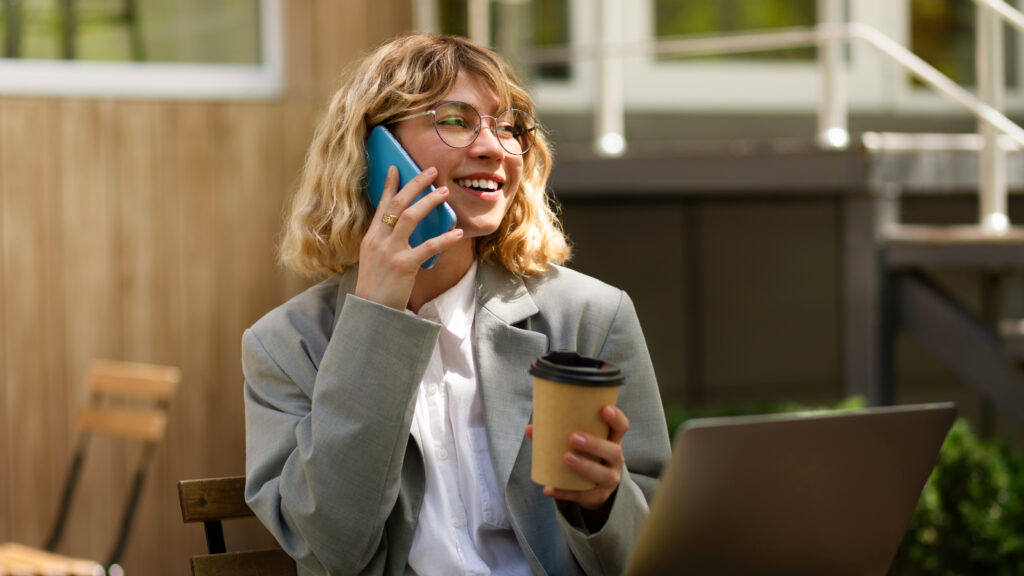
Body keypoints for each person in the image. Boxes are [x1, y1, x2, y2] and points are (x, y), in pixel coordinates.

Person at [242, 33, 671, 576]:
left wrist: (603, 504)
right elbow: (331, 545)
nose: (494, 147)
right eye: (455, 120)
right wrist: (376, 322)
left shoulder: (590, 316)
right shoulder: (285, 347)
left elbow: (655, 545)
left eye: (508, 126)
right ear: (374, 151)